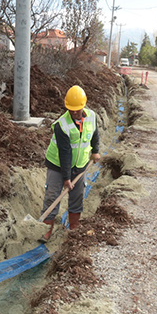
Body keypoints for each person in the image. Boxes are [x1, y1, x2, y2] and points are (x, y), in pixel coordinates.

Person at [41, 85, 101, 240]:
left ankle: (74, 227)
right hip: (57, 165)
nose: (74, 112)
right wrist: (66, 179)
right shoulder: (62, 125)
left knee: (77, 195)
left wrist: (95, 151)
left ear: (83, 106)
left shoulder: (92, 117)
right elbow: (65, 153)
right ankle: (46, 229)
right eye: (71, 109)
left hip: (80, 165)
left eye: (77, 109)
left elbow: (94, 134)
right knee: (52, 195)